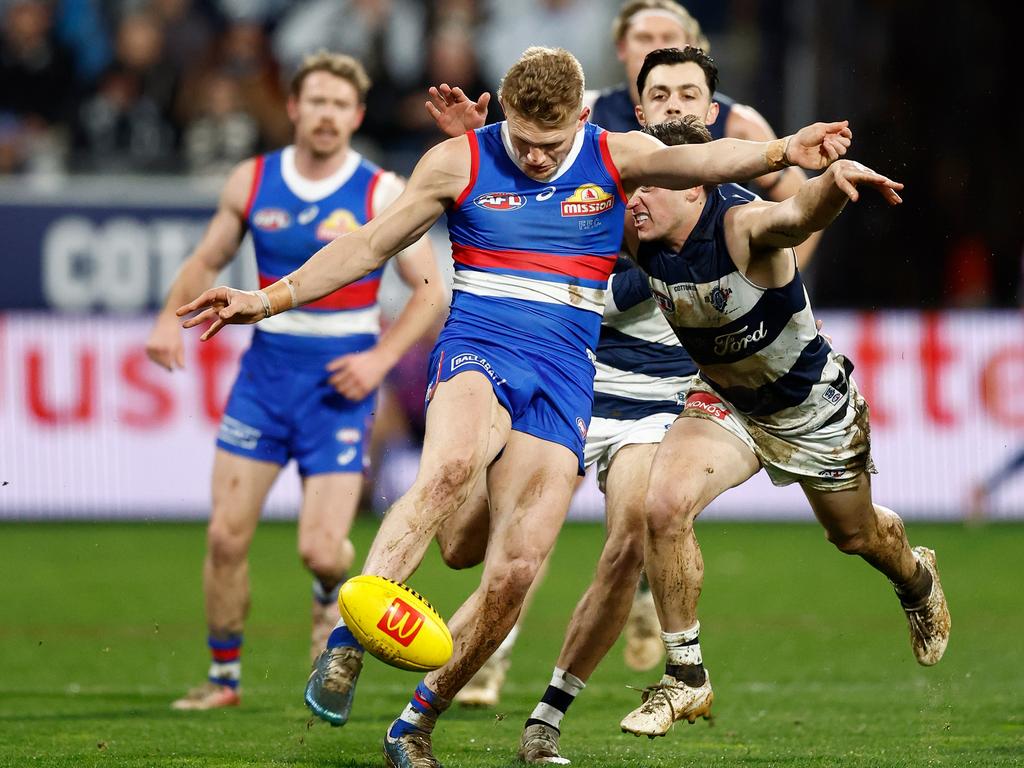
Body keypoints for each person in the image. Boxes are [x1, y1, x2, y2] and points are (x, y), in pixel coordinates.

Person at [176, 46, 852, 766]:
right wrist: (264, 298)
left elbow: (709, 163)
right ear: (502, 113)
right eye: (522, 141)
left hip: (564, 374)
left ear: (583, 120)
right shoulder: (458, 160)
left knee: (516, 571)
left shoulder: (615, 154)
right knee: (451, 465)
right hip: (479, 343)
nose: (534, 158)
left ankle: (414, 725)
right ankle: (346, 646)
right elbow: (370, 245)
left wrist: (788, 149)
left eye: (551, 145)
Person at [616, 116, 950, 739]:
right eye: (633, 185)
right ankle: (686, 678)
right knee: (662, 506)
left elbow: (795, 216)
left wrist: (832, 181)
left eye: (650, 185)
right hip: (726, 404)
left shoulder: (741, 227)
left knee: (855, 537)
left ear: (694, 187)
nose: (633, 198)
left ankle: (916, 576)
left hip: (809, 408)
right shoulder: (637, 233)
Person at [145, 51, 444, 711]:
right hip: (266, 374)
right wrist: (171, 319)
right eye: (317, 102)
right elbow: (207, 259)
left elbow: (431, 294)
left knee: (318, 550)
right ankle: (223, 680)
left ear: (357, 115)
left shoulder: (380, 192)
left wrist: (377, 362)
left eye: (341, 104)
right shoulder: (253, 180)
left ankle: (324, 599)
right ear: (294, 108)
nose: (328, 115)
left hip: (339, 385)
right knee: (225, 537)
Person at [589, 0, 823, 266]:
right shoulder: (589, 112)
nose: (655, 46)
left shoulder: (739, 122)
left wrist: (779, 280)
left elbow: (805, 203)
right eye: (643, 38)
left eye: (668, 38)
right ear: (621, 48)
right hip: (628, 287)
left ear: (690, 45)